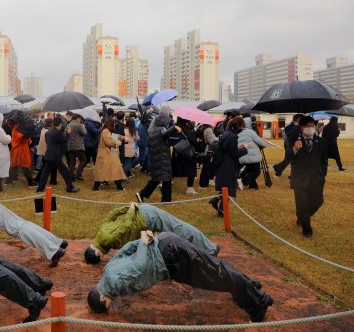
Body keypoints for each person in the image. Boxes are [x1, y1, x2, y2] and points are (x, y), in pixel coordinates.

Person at [87, 231, 273, 322]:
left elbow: (139, 265)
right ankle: (250, 289)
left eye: (106, 306)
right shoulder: (108, 270)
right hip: (167, 247)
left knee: (216, 274)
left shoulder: (115, 284)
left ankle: (258, 304)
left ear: (103, 298)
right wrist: (146, 240)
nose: (110, 306)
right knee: (216, 271)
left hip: (172, 257)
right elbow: (127, 249)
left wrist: (144, 243)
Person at [84, 203, 218, 264]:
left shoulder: (106, 240)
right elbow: (111, 214)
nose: (104, 255)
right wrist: (129, 208)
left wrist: (131, 209)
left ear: (96, 253)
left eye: (101, 256)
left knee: (178, 228)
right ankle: (201, 250)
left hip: (147, 217)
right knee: (176, 230)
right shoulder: (100, 233)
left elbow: (126, 225)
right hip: (144, 218)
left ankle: (210, 248)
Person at [286, 116, 328, 238]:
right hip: (300, 179)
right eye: (307, 126)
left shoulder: (321, 142)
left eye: (312, 126)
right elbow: (288, 157)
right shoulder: (294, 139)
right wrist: (295, 148)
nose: (310, 128)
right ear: (301, 127)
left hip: (316, 179)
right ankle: (307, 230)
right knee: (302, 204)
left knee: (318, 201)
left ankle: (302, 217)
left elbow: (324, 161)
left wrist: (322, 175)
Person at [135, 106, 179, 203]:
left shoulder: (153, 131)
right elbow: (165, 135)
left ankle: (164, 199)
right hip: (162, 158)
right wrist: (174, 128)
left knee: (160, 179)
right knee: (163, 179)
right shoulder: (161, 130)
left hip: (157, 158)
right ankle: (145, 194)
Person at [209, 117, 249, 217]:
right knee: (229, 188)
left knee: (227, 187)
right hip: (228, 165)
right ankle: (222, 211)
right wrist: (244, 149)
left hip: (223, 164)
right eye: (241, 127)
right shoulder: (232, 137)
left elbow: (229, 150)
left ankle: (216, 200)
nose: (242, 130)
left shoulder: (227, 133)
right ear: (238, 126)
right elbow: (234, 154)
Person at [36, 117, 79, 193]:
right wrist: (68, 133)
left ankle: (40, 188)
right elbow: (65, 140)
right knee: (65, 172)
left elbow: (49, 141)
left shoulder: (49, 131)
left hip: (49, 155)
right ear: (59, 124)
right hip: (56, 157)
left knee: (45, 173)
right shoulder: (58, 133)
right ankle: (70, 188)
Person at [92, 119, 127, 191]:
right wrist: (117, 143)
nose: (114, 126)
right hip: (105, 155)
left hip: (108, 154)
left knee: (114, 170)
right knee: (109, 170)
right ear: (110, 124)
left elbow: (114, 136)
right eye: (113, 124)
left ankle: (119, 187)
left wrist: (123, 138)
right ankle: (96, 187)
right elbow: (109, 141)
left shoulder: (108, 131)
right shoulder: (105, 131)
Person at [237, 117, 270, 190]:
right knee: (256, 171)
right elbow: (260, 142)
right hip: (252, 156)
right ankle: (242, 181)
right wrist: (266, 143)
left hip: (243, 155)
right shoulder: (250, 132)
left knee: (249, 170)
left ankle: (252, 185)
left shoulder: (238, 133)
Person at [171, 117, 198, 195]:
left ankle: (166, 182)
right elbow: (192, 141)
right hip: (187, 153)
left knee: (173, 168)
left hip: (176, 151)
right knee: (191, 170)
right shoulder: (187, 129)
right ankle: (189, 188)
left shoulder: (174, 128)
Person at [67, 113, 87, 180]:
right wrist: (83, 127)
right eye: (80, 118)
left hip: (70, 146)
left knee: (72, 163)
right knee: (84, 160)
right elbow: (85, 133)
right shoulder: (79, 125)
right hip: (78, 146)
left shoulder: (69, 124)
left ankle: (71, 177)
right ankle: (77, 174)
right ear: (78, 118)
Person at [198, 123, 217, 188]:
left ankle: (203, 184)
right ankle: (203, 184)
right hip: (209, 151)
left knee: (206, 168)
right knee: (206, 168)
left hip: (207, 150)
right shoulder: (208, 130)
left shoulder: (204, 129)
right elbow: (212, 141)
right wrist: (218, 139)